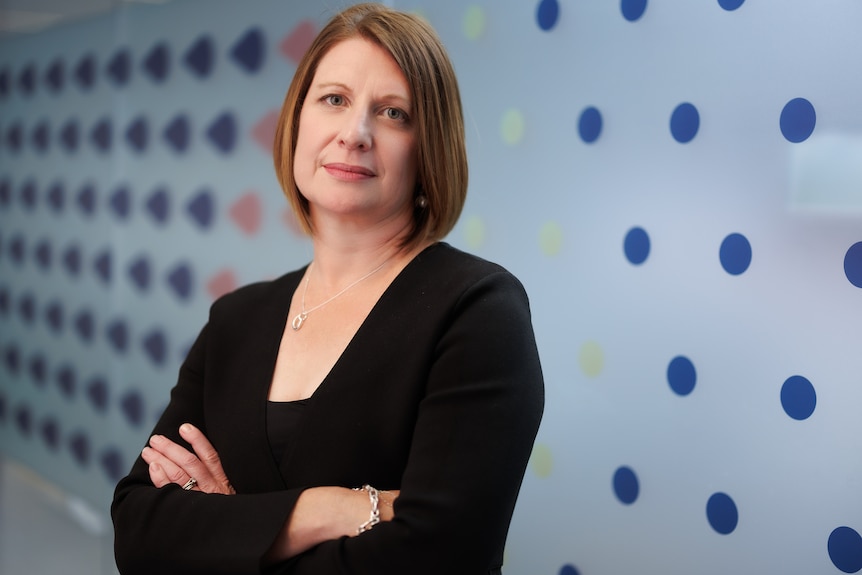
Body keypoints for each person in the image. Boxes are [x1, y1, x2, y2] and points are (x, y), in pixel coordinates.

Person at [111, 3, 544, 574]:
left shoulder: (477, 310)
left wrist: (233, 529)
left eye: (393, 113)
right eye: (334, 99)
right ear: (297, 121)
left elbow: (438, 556)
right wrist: (325, 509)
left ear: (428, 148)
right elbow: (139, 528)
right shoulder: (235, 320)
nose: (355, 133)